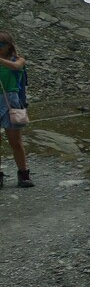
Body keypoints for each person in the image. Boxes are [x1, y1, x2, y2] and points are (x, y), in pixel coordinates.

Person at [0, 31, 32, 187]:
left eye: (1, 44)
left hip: (10, 102)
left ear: (9, 46)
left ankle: (24, 174)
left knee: (16, 142)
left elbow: (17, 67)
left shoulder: (18, 60)